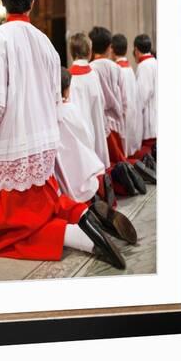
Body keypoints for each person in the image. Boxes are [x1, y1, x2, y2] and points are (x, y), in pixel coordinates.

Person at [0, 0, 125, 269]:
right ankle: (82, 214)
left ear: (3, 3)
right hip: (41, 150)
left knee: (3, 231)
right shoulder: (48, 46)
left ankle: (79, 237)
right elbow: (56, 102)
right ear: (32, 3)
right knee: (46, 204)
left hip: (10, 146)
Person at [55, 68, 137, 245]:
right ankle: (105, 199)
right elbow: (87, 136)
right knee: (93, 173)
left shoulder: (48, 114)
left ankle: (91, 219)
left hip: (63, 180)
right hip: (83, 169)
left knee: (68, 198)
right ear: (68, 89)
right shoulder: (71, 109)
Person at [88, 27, 147, 196]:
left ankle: (115, 187)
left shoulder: (91, 68)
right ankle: (127, 182)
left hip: (100, 122)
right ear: (109, 47)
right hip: (117, 121)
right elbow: (124, 98)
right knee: (118, 159)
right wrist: (123, 117)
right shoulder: (116, 68)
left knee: (105, 161)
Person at [68, 32, 110, 170]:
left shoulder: (67, 77)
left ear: (71, 52)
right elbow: (101, 102)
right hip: (93, 125)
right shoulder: (93, 74)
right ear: (90, 52)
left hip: (75, 132)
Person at [110, 33, 142, 157]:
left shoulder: (116, 70)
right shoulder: (129, 68)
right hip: (132, 112)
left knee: (124, 150)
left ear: (112, 49)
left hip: (122, 113)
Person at [133, 34, 157, 155]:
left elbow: (141, 97)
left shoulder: (144, 66)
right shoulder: (154, 62)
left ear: (136, 50)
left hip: (150, 126)